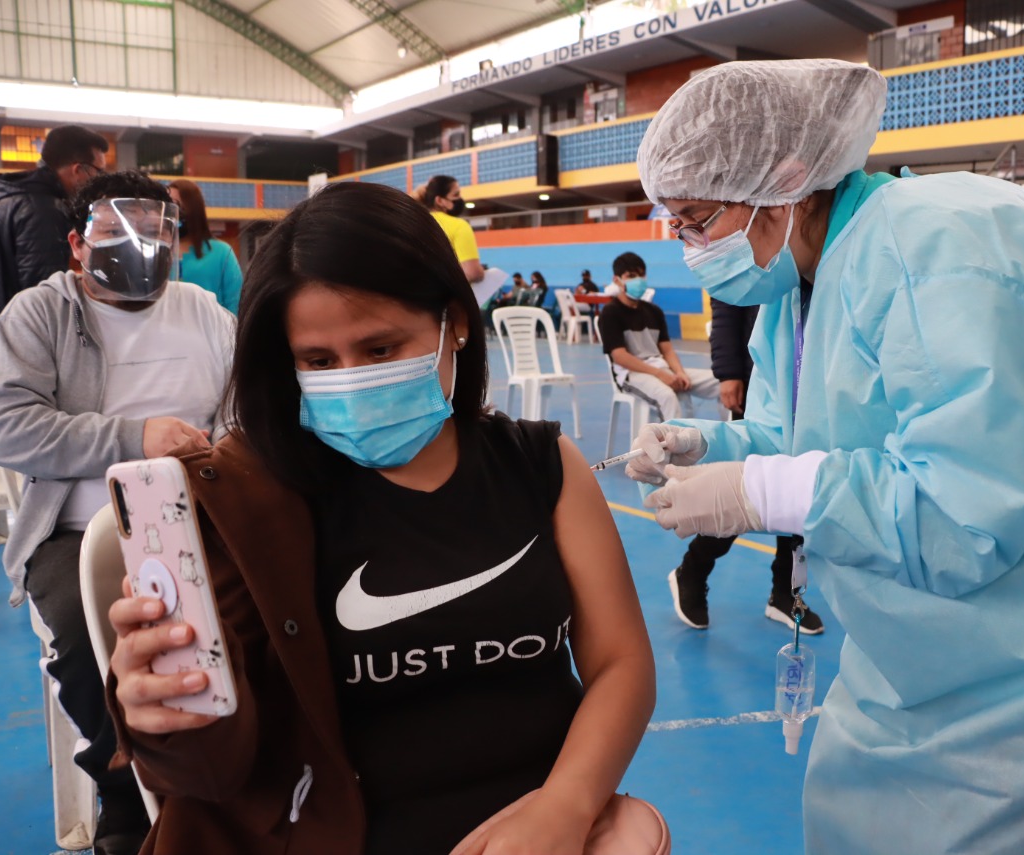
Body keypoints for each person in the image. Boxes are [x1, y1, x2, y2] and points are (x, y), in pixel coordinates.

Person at [628, 58, 1024, 854]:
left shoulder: (943, 244)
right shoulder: (801, 284)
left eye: (695, 220)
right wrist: (709, 445)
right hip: (935, 646)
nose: (688, 246)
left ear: (781, 182)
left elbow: (970, 507)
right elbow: (806, 436)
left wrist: (761, 490)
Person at [104, 182, 656, 855]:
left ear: (455, 322)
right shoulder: (247, 501)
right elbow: (212, 773)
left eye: (380, 349)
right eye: (318, 361)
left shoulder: (542, 465)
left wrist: (565, 807)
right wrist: (162, 714)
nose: (351, 378)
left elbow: (621, 661)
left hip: (547, 817)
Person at [0, 170, 235, 855]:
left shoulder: (204, 312)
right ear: (75, 244)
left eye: (155, 231)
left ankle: (235, 771)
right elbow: (6, 427)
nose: (140, 245)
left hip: (203, 514)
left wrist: (226, 453)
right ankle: (125, 792)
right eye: (117, 231)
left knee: (273, 600)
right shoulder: (39, 314)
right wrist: (135, 437)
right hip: (79, 531)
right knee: (83, 628)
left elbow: (245, 405)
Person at [668, 297, 823, 636]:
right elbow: (728, 302)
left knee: (800, 487)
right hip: (760, 383)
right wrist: (729, 373)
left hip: (810, 383)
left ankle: (785, 592)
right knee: (745, 489)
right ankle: (693, 570)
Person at [0, 124, 109, 337]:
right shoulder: (43, 210)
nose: (99, 180)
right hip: (16, 337)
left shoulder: (8, 198)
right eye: (99, 171)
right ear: (78, 170)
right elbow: (43, 298)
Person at [598, 251, 718, 422]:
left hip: (662, 368)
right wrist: (660, 374)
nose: (638, 280)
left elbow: (667, 350)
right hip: (631, 374)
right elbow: (620, 357)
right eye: (631, 276)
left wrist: (679, 372)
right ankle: (675, 440)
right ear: (617, 280)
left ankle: (735, 429)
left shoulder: (654, 311)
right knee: (667, 396)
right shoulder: (610, 313)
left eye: (641, 275)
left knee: (721, 380)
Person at [168, 179, 243, 314]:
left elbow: (235, 303)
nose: (172, 212)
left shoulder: (221, 252)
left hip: (212, 326)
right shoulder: (156, 251)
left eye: (177, 204)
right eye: (168, 204)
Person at [416, 174, 484, 284]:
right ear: (439, 200)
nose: (460, 199)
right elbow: (472, 272)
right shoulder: (458, 225)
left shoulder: (415, 222)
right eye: (456, 195)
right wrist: (480, 272)